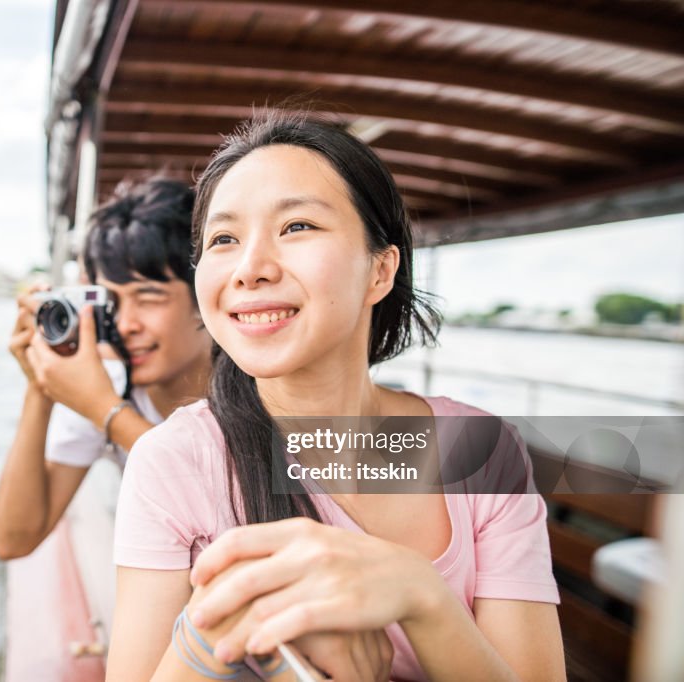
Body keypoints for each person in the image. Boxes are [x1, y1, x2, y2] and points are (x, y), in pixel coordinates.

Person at [107, 110, 566, 681]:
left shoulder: (482, 449)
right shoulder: (172, 459)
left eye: (297, 226)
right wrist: (219, 623)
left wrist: (421, 596)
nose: (249, 268)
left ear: (381, 270)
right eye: (223, 238)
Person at [0, 178, 212, 560]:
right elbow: (13, 539)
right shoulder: (109, 387)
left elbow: (234, 506)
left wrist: (106, 413)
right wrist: (40, 386)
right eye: (111, 301)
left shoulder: (264, 382)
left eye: (148, 297)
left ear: (206, 293)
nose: (125, 324)